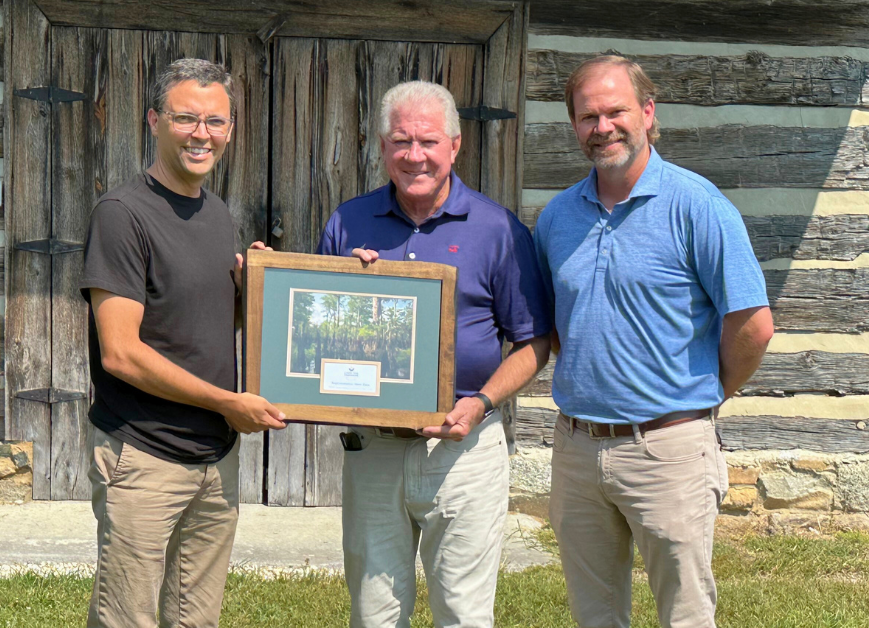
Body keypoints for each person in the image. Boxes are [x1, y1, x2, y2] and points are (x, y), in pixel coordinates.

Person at [533, 56, 775, 628]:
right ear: (574, 125)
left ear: (647, 111)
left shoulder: (698, 206)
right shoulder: (557, 217)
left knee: (685, 615)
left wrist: (706, 396)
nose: (603, 127)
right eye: (588, 116)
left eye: (616, 111)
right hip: (576, 445)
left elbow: (754, 323)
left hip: (668, 448)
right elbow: (551, 321)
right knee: (595, 616)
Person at [317, 80, 552, 628]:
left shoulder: (498, 230)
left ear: (454, 145)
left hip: (464, 447)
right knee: (373, 613)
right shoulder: (347, 223)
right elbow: (315, 334)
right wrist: (348, 290)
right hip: (372, 447)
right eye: (401, 141)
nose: (414, 155)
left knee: (463, 613)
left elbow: (535, 341)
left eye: (427, 141)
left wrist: (483, 403)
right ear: (381, 147)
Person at [79, 58, 285, 628]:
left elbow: (204, 326)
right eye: (187, 118)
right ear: (153, 120)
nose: (202, 134)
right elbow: (121, 353)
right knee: (128, 618)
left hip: (213, 457)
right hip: (145, 454)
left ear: (230, 129)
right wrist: (226, 402)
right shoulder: (122, 215)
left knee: (196, 618)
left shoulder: (216, 213)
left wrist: (254, 293)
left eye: (215, 121)